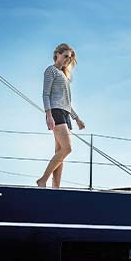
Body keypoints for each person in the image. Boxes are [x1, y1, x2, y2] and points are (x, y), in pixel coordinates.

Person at [36, 43, 85, 187]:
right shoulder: (50, 70)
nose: (67, 60)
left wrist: (77, 119)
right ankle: (43, 180)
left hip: (65, 114)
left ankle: (56, 187)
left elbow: (67, 102)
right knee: (67, 148)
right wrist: (48, 115)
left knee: (60, 152)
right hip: (55, 112)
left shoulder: (64, 75)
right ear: (57, 54)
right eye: (65, 56)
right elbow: (46, 94)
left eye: (69, 58)